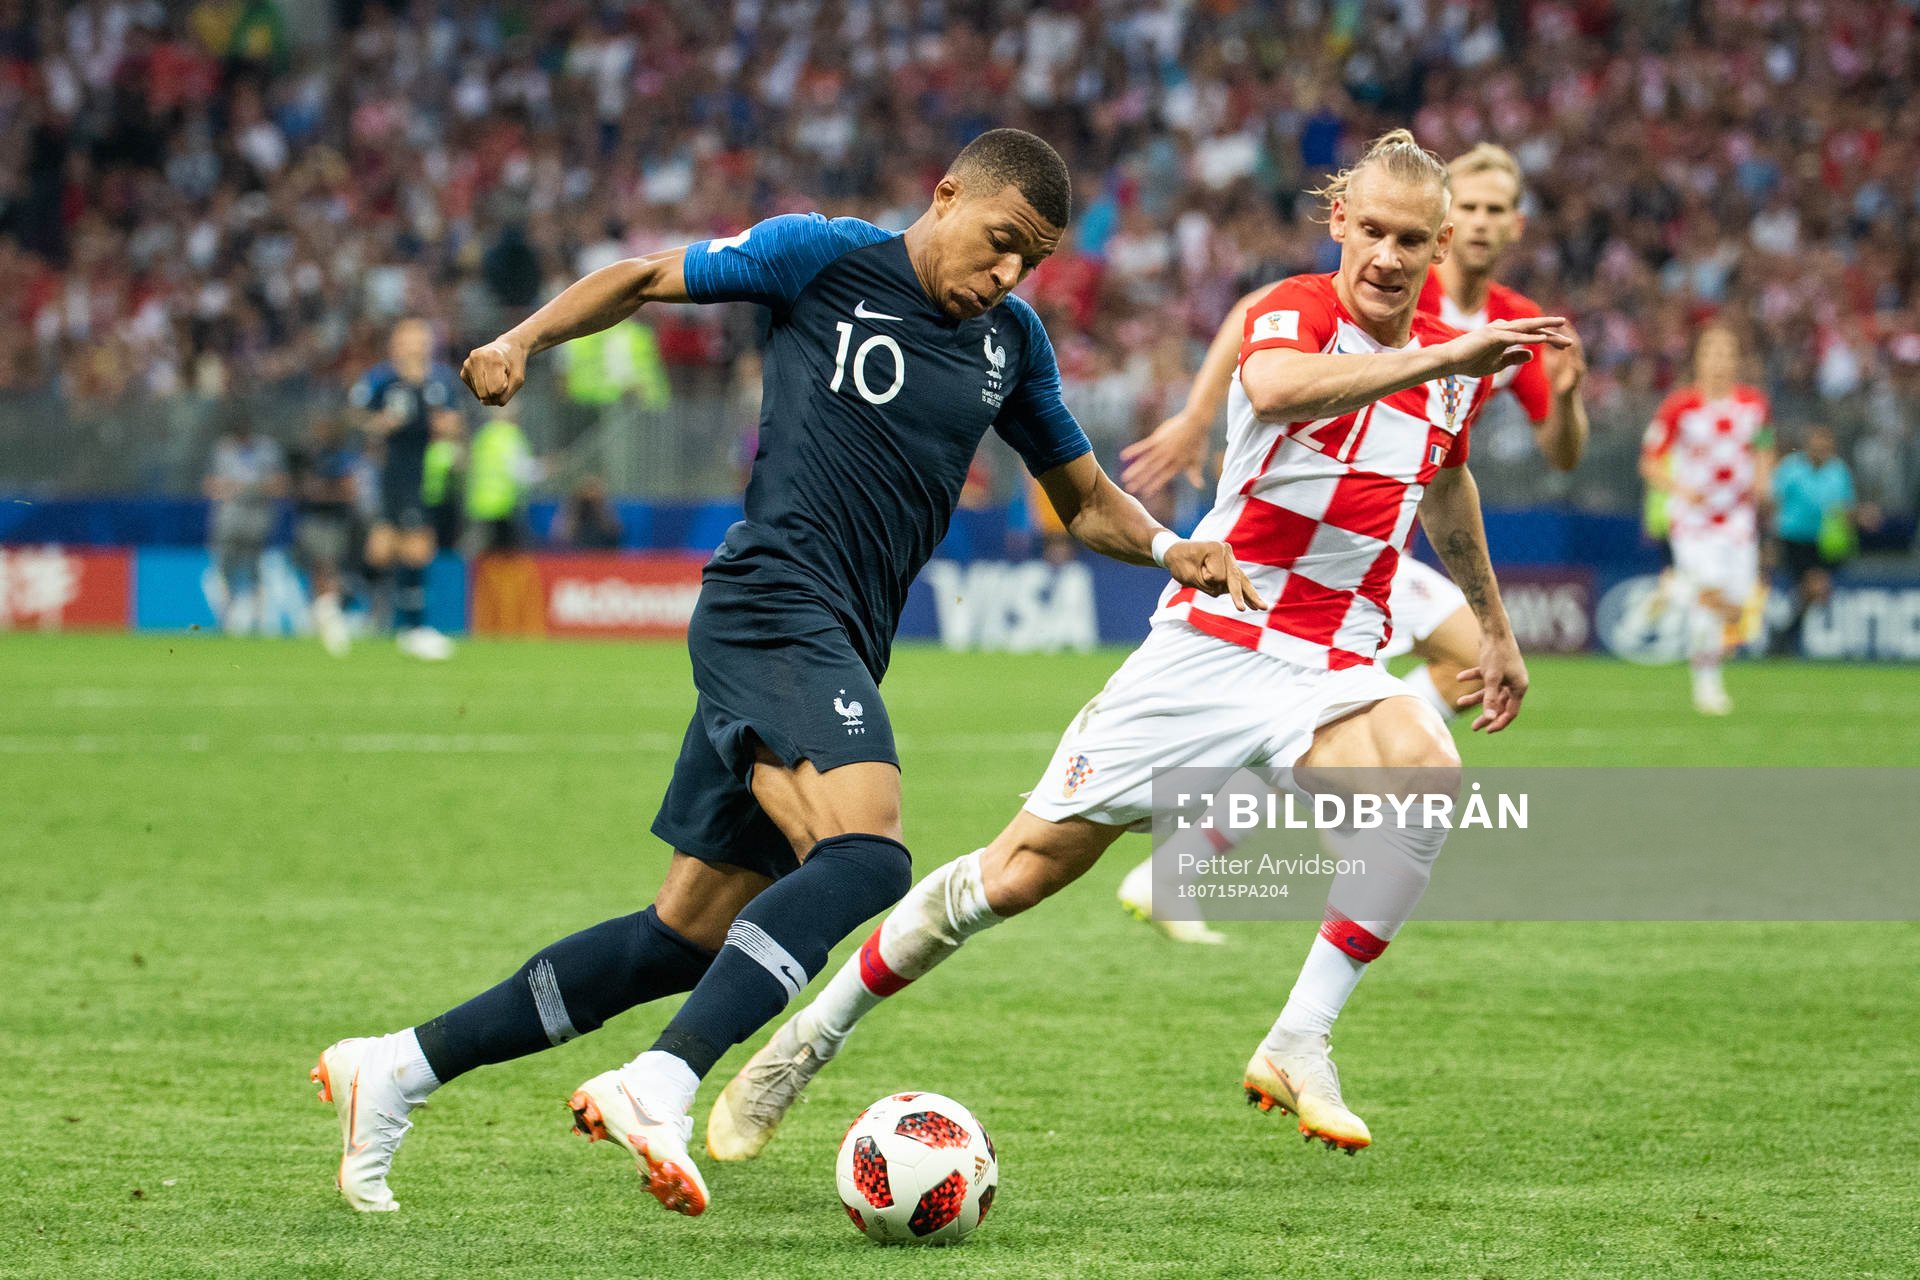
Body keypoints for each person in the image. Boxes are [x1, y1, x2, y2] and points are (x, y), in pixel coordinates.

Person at [311, 128, 1259, 1217]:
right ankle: (661, 1083)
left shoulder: (1011, 343)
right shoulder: (823, 256)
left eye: (1031, 261)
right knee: (866, 855)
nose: (1007, 273)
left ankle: (396, 1068)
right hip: (772, 600)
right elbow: (644, 277)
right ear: (947, 194)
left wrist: (1170, 547)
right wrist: (520, 340)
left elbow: (1084, 498)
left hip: (841, 638)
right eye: (1000, 241)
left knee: (678, 939)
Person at [707, 129, 1564, 1163]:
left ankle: (1299, 1040)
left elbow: (1447, 482)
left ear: (1438, 246)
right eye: (1373, 230)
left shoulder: (1451, 369)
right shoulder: (1296, 311)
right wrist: (1444, 355)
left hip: (1334, 656)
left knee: (1426, 775)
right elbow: (1278, 387)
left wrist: (1497, 628)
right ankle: (810, 1036)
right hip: (1216, 641)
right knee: (1014, 875)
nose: (1387, 256)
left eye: (1411, 241)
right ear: (1339, 220)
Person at [1113, 141, 1588, 941]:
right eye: (1468, 204)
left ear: (1513, 225)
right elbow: (1259, 315)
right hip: (1315, 541)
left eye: (1494, 210)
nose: (1479, 222)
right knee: (1435, 672)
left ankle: (1225, 842)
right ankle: (1290, 817)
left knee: (1446, 674)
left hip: (1387, 540)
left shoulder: (1512, 323)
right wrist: (1197, 415)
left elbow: (1557, 455)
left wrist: (1569, 402)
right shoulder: (1382, 280)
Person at [1639, 326, 1773, 714]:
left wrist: (1764, 481)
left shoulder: (1754, 403)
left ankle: (1677, 588)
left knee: (1738, 613)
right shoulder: (1678, 406)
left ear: (1737, 360)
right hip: (1694, 521)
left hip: (1738, 519)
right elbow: (1649, 462)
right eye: (1712, 352)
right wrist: (1680, 489)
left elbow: (1764, 446)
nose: (1719, 361)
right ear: (1699, 359)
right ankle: (1707, 686)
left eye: (1726, 353)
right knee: (1709, 601)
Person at [349, 318, 464, 661]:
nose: (418, 344)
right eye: (411, 338)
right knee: (417, 547)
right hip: (397, 471)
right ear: (396, 343)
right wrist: (380, 424)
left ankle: (339, 605)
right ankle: (414, 630)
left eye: (422, 338)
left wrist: (447, 427)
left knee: (382, 548)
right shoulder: (382, 379)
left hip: (431, 473)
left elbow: (455, 422)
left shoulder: (441, 380)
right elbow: (357, 416)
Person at [1768, 424, 1857, 656]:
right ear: (1808, 447)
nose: (1821, 451)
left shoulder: (1838, 471)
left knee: (1813, 592)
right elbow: (1773, 501)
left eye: (1826, 447)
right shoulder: (1791, 469)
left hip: (1825, 541)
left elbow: (1846, 507)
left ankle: (1782, 635)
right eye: (1817, 446)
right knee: (1816, 587)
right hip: (1794, 538)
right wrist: (1769, 540)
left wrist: (1856, 520)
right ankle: (1784, 636)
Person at [202, 412, 286, 635]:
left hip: (257, 514)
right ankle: (225, 617)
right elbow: (210, 485)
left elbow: (279, 484)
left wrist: (245, 487)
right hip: (229, 516)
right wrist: (236, 488)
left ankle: (257, 619)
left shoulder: (267, 449)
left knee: (255, 568)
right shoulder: (222, 449)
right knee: (225, 567)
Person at [287, 414, 360, 657]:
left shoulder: (341, 458)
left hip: (332, 520)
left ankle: (331, 615)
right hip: (310, 519)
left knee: (329, 566)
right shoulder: (308, 457)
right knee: (315, 567)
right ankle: (321, 614)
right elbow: (297, 487)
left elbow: (349, 489)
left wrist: (321, 492)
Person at [549, 475, 623, 549]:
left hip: (601, 549)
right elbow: (561, 535)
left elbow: (614, 533)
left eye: (594, 489)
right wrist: (576, 507)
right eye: (589, 489)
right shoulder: (573, 508)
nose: (591, 494)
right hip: (576, 549)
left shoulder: (604, 509)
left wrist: (598, 507)